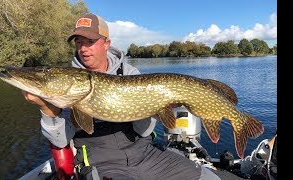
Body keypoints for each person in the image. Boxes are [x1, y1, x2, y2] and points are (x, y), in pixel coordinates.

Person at [22, 13, 221, 180]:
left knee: (210, 178)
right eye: (79, 42)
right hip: (101, 161)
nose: (83, 48)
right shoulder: (67, 86)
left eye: (90, 42)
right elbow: (60, 142)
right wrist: (48, 110)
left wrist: (158, 107)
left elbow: (143, 132)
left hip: (144, 153)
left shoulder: (130, 74)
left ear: (106, 43)